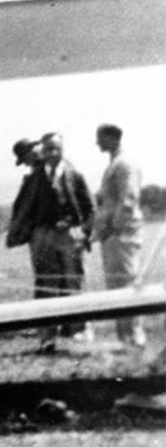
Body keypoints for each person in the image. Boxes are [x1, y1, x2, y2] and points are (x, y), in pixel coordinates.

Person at [29, 132, 95, 352]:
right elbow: (25, 209)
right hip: (44, 238)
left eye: (57, 148)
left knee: (74, 282)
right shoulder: (34, 178)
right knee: (46, 285)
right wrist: (33, 234)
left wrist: (83, 233)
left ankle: (78, 331)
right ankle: (47, 338)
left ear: (63, 149)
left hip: (70, 237)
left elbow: (90, 208)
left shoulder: (75, 175)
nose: (53, 153)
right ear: (42, 151)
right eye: (49, 149)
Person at [94, 123, 147, 347]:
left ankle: (135, 337)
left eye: (101, 138)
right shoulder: (115, 163)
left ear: (113, 138)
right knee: (116, 287)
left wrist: (112, 228)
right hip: (113, 235)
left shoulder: (125, 164)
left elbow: (128, 200)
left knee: (126, 285)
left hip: (122, 235)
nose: (97, 143)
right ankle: (125, 338)